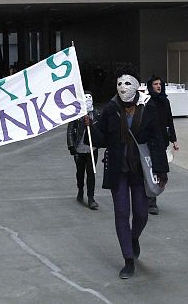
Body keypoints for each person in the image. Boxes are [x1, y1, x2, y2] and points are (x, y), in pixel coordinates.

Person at [85, 72, 169, 279]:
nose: (123, 87)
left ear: (136, 87)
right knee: (122, 214)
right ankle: (128, 259)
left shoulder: (147, 110)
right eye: (119, 84)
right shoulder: (111, 110)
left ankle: (134, 238)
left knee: (141, 213)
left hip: (140, 170)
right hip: (118, 171)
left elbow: (158, 140)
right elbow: (102, 138)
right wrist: (88, 126)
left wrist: (161, 170)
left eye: (127, 84)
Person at [145, 76, 178, 215]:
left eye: (160, 84)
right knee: (152, 171)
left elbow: (169, 121)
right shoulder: (148, 102)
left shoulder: (165, 101)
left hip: (161, 142)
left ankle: (151, 197)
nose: (158, 86)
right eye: (155, 84)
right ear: (150, 86)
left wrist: (174, 139)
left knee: (161, 173)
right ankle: (151, 201)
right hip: (150, 142)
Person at [66, 91, 99, 210]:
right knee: (80, 172)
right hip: (79, 149)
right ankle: (80, 189)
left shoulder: (96, 114)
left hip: (92, 149)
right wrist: (71, 146)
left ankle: (91, 197)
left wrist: (92, 125)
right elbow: (70, 130)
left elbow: (101, 130)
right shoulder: (76, 115)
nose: (88, 100)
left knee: (91, 173)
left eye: (90, 97)